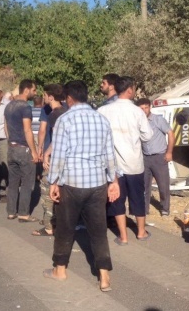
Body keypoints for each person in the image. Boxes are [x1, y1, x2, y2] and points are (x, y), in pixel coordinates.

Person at [43, 80, 119, 293]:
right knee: (98, 231)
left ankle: (60, 270)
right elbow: (109, 155)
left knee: (65, 228)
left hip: (72, 183)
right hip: (97, 184)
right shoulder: (101, 120)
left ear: (68, 98)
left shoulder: (64, 120)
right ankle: (104, 276)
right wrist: (113, 181)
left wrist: (53, 182)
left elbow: (58, 155)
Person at [97, 76, 153, 244]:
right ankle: (141, 232)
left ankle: (123, 236)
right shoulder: (137, 111)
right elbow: (148, 136)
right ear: (130, 89)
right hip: (135, 163)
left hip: (113, 166)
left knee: (117, 199)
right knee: (138, 198)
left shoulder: (103, 111)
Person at [32, 84, 67, 237]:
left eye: (45, 95)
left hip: (55, 157)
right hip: (67, 158)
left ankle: (49, 226)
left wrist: (46, 153)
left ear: (51, 96)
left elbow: (58, 139)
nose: (43, 97)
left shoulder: (55, 114)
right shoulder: (66, 111)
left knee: (47, 189)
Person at [4, 79, 40, 222]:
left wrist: (10, 141)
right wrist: (34, 151)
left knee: (13, 181)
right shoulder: (25, 107)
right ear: (27, 90)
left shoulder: (8, 106)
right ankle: (24, 213)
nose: (35, 93)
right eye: (34, 90)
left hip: (12, 148)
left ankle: (11, 211)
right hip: (23, 148)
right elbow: (27, 130)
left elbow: (6, 127)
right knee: (26, 182)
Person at [137, 98, 176, 219]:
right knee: (144, 185)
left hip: (159, 157)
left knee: (163, 185)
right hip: (144, 158)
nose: (144, 110)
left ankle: (165, 208)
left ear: (150, 107)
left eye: (146, 108)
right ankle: (144, 209)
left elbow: (171, 133)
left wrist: (169, 152)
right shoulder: (137, 122)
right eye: (141, 108)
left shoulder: (158, 120)